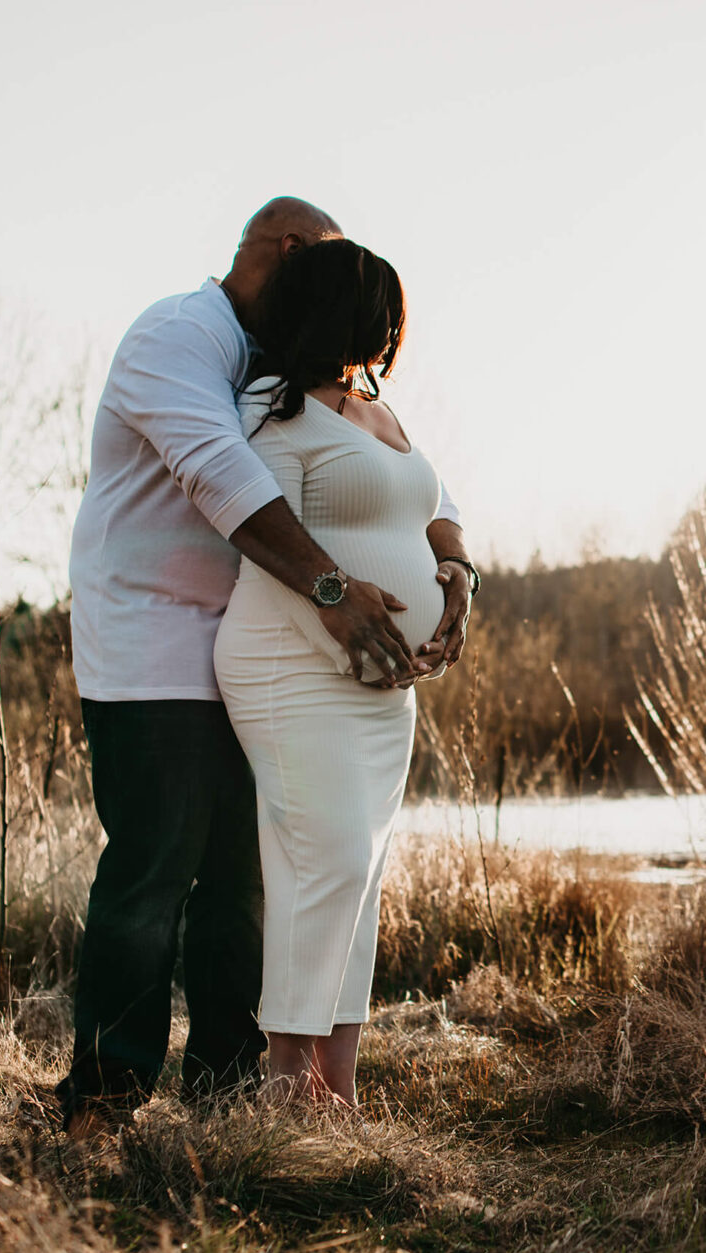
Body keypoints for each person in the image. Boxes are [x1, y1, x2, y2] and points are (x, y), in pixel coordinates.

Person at [57, 198, 477, 1134]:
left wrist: (454, 566)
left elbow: (423, 479)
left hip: (267, 644)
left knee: (248, 888)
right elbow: (219, 471)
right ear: (290, 254)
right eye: (329, 266)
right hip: (158, 648)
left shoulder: (288, 362)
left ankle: (226, 1093)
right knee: (153, 879)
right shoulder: (182, 338)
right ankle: (106, 1102)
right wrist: (335, 592)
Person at [214, 237, 466, 1103]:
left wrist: (457, 581)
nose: (395, 326)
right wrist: (353, 646)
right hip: (292, 664)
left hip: (378, 685)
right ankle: (286, 1089)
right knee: (323, 866)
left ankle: (338, 1090)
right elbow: (261, 539)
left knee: (359, 871)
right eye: (382, 307)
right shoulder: (273, 407)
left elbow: (432, 513)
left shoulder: (376, 408)